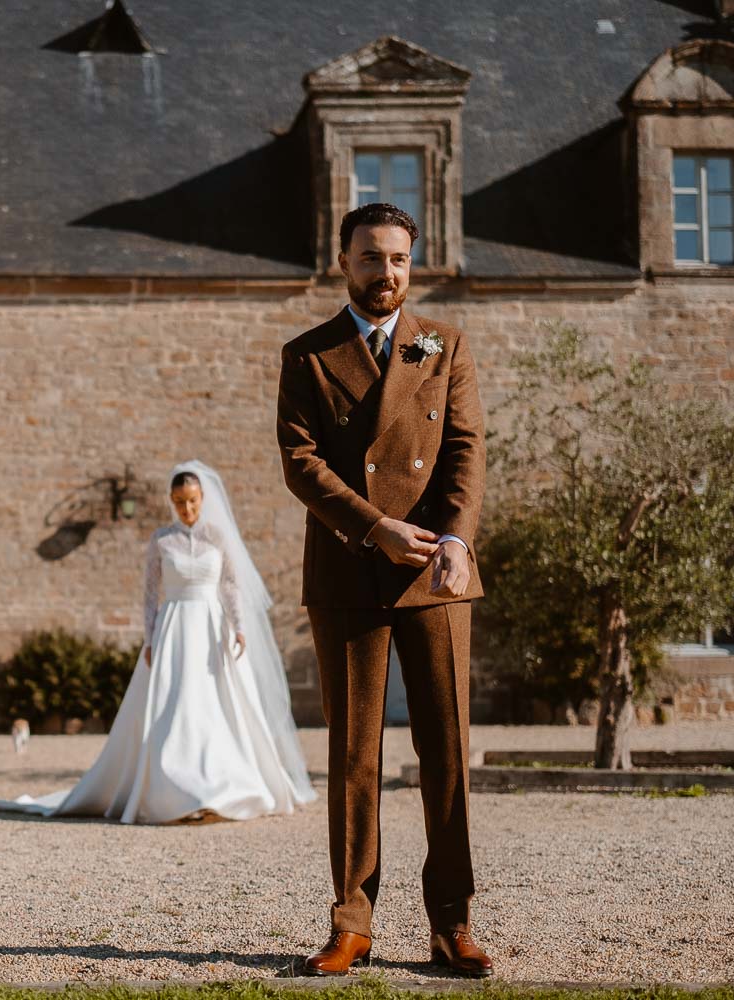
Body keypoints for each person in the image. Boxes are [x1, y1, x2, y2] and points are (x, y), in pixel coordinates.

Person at [277, 203, 493, 977]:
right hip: (348, 570)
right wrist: (376, 528)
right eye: (371, 258)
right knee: (354, 757)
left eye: (399, 259)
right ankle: (352, 923)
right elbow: (302, 465)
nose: (386, 273)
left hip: (436, 569)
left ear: (412, 264)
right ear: (344, 263)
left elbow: (465, 450)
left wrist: (457, 542)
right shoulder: (308, 354)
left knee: (446, 753)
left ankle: (452, 924)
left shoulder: (445, 344)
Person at [0, 460, 315, 824]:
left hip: (211, 629)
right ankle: (172, 791)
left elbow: (231, 586)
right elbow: (149, 595)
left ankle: (222, 786)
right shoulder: (161, 539)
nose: (186, 509)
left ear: (202, 498)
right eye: (178, 502)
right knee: (174, 709)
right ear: (171, 501)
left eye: (191, 501)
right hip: (174, 630)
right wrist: (150, 640)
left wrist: (238, 628)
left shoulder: (217, 538)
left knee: (217, 708)